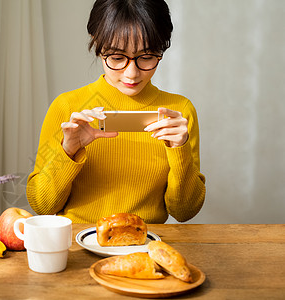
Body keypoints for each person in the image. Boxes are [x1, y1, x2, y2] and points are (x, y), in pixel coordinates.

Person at [26, 0, 205, 224]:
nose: (131, 74)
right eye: (117, 58)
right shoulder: (67, 107)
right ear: (97, 44)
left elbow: (185, 211)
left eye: (146, 57)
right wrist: (68, 150)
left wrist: (180, 149)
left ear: (162, 48)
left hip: (145, 245)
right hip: (77, 244)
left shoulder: (178, 112)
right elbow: (43, 206)